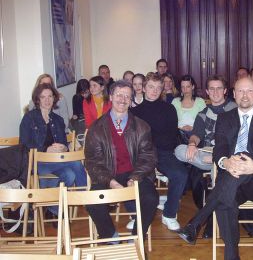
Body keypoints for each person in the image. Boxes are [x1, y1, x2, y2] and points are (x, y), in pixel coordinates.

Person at [178, 77, 253, 260]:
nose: (245, 95)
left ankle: (197, 221)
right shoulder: (225, 118)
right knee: (226, 200)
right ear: (234, 94)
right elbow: (220, 148)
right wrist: (225, 162)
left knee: (244, 156)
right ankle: (231, 255)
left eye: (249, 90)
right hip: (232, 182)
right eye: (240, 91)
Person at [84, 80, 158, 239]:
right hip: (107, 175)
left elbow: (148, 157)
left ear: (131, 100)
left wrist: (134, 178)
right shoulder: (96, 128)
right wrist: (111, 181)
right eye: (119, 95)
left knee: (151, 199)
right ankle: (110, 236)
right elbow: (92, 161)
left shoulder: (142, 126)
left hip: (135, 174)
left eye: (127, 96)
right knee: (92, 203)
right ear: (110, 97)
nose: (123, 99)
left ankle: (137, 235)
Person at [20, 83, 87, 219]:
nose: (47, 100)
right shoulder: (29, 118)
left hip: (57, 161)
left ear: (54, 98)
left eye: (50, 96)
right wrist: (45, 149)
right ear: (37, 99)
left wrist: (63, 147)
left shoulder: (58, 120)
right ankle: (87, 199)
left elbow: (63, 143)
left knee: (70, 175)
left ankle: (53, 209)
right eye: (43, 97)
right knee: (76, 164)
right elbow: (24, 144)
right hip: (37, 163)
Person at [131, 73, 188, 231]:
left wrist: (159, 155)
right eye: (150, 87)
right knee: (129, 175)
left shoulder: (169, 109)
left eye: (158, 87)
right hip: (142, 155)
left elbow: (171, 136)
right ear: (143, 88)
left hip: (164, 152)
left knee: (180, 174)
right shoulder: (135, 112)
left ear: (162, 89)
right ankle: (136, 215)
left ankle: (169, 213)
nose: (154, 91)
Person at [175, 74, 237, 171]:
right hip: (208, 154)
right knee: (179, 150)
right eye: (212, 89)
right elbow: (196, 135)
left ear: (225, 91)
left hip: (230, 152)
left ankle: (218, 161)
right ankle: (216, 161)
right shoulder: (202, 114)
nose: (215, 92)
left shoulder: (234, 109)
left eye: (219, 88)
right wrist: (192, 144)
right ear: (207, 92)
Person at [172, 75, 206, 143]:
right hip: (179, 134)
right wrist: (181, 128)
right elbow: (171, 121)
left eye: (188, 87)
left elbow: (205, 121)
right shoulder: (175, 101)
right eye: (183, 87)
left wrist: (194, 128)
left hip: (196, 134)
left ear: (193, 87)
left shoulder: (200, 101)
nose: (185, 90)